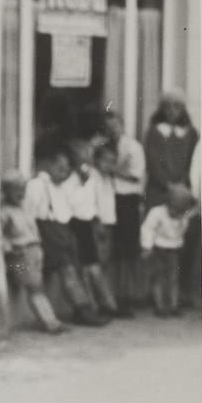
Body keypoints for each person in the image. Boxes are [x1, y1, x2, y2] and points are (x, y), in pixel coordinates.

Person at [22, 145, 109, 327]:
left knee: (75, 269)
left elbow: (73, 207)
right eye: (60, 168)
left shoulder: (60, 187)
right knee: (67, 270)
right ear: (50, 165)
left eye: (66, 170)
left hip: (64, 231)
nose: (64, 173)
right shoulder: (37, 185)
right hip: (48, 231)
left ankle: (84, 308)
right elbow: (28, 214)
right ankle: (82, 310)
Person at [0, 170, 67, 334]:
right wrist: (10, 248)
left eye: (22, 190)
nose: (20, 194)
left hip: (34, 251)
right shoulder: (5, 212)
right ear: (7, 191)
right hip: (20, 255)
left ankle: (51, 320)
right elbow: (2, 236)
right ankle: (50, 323)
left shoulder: (24, 209)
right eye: (16, 190)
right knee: (35, 287)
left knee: (38, 286)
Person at [63, 139, 120, 317]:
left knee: (94, 265)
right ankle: (92, 307)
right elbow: (71, 203)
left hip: (90, 223)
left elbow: (92, 201)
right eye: (82, 156)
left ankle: (106, 305)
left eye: (88, 156)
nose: (86, 160)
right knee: (84, 266)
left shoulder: (91, 177)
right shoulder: (70, 180)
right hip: (77, 223)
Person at [103, 112, 145, 312]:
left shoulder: (133, 147)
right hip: (110, 199)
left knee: (128, 251)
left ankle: (129, 296)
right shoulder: (103, 146)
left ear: (121, 125)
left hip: (128, 199)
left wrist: (113, 170)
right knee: (116, 252)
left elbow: (136, 175)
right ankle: (117, 297)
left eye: (115, 126)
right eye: (108, 127)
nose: (112, 131)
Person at [140, 183, 199, 317]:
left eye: (180, 212)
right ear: (168, 204)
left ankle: (173, 305)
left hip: (173, 250)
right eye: (174, 210)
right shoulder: (156, 213)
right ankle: (159, 306)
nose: (176, 214)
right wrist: (147, 247)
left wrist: (180, 243)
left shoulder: (183, 216)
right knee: (158, 277)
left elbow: (183, 228)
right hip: (158, 249)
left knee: (173, 278)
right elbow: (147, 229)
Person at [143, 90, 199, 209]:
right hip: (158, 189)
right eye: (167, 106)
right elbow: (153, 163)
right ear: (161, 109)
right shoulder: (154, 132)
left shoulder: (191, 133)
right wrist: (169, 185)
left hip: (183, 189)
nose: (171, 110)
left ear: (183, 109)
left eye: (176, 106)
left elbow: (193, 162)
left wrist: (181, 185)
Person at [92, 142, 127, 316]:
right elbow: (91, 202)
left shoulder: (108, 179)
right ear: (97, 160)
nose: (109, 165)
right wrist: (97, 221)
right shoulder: (93, 178)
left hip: (108, 224)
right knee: (97, 263)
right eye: (105, 160)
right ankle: (105, 304)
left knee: (104, 263)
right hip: (97, 224)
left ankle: (105, 303)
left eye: (113, 161)